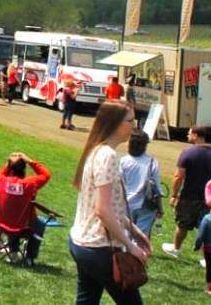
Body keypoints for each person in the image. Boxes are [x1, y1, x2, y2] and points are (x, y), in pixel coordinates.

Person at [69, 100, 150, 305]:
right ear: (114, 123)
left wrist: (135, 231)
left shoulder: (97, 150)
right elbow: (102, 210)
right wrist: (130, 246)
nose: (134, 126)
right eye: (130, 121)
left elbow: (110, 207)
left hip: (82, 243)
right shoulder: (108, 156)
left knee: (86, 300)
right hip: (99, 247)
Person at [162, 126, 211, 258]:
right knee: (206, 228)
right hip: (209, 199)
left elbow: (178, 177)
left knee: (182, 225)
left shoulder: (187, 153)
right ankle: (206, 258)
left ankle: (176, 248)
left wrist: (174, 195)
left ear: (196, 136)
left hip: (189, 197)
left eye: (189, 133)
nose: (187, 136)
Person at [0, 151, 51, 266]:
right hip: (23, 228)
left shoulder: (1, 180)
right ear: (24, 170)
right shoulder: (30, 183)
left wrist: (9, 162)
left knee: (12, 218)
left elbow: (1, 173)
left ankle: (13, 251)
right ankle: (30, 257)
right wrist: (29, 161)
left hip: (0, 225)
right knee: (40, 223)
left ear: (10, 168)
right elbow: (46, 175)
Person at [119, 130, 163, 237]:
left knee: (126, 236)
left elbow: (118, 185)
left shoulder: (123, 161)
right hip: (146, 205)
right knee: (140, 237)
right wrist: (160, 208)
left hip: (126, 204)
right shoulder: (152, 162)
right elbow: (157, 188)